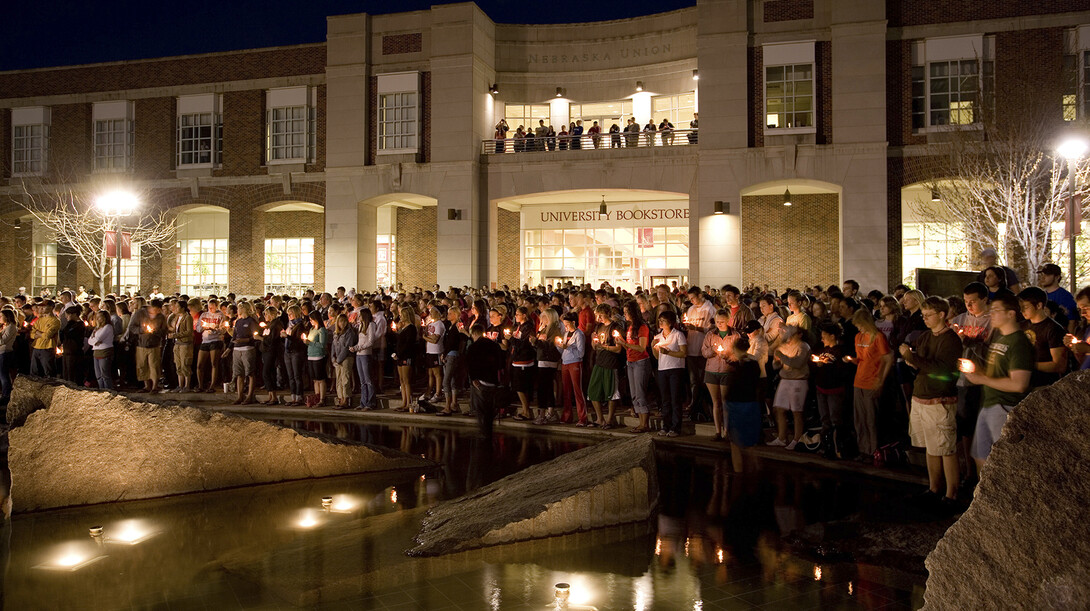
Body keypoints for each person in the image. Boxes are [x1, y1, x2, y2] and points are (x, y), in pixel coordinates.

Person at [900, 296, 963, 509]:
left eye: (928, 315)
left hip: (940, 399)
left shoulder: (951, 340)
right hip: (921, 396)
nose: (924, 319)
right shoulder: (926, 336)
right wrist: (912, 359)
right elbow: (920, 363)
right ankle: (934, 487)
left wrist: (911, 356)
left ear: (942, 315)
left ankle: (951, 493)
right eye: (923, 315)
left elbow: (940, 369)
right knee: (931, 446)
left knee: (945, 448)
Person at [962, 294, 1034, 469]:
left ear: (1011, 314)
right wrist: (976, 370)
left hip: (1005, 407)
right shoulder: (1000, 340)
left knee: (1002, 463)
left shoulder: (1019, 342)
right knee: (981, 457)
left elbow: (1019, 384)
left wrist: (982, 378)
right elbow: (996, 374)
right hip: (988, 405)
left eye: (995, 310)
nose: (990, 313)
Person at [951, 282, 991, 487]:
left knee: (981, 425)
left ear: (985, 299)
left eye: (973, 301)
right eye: (966, 301)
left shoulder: (993, 320)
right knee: (965, 426)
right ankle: (968, 471)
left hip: (985, 379)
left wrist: (970, 341)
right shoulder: (960, 320)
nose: (969, 306)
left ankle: (985, 472)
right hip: (963, 381)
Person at [851, 308, 893, 461]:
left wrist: (881, 380)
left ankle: (873, 450)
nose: (859, 328)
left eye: (861, 325)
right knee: (859, 418)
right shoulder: (858, 337)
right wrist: (853, 360)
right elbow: (860, 358)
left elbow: (888, 358)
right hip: (859, 380)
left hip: (872, 381)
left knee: (870, 418)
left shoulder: (878, 337)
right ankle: (863, 449)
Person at [1017, 287, 1067, 389]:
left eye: (1025, 307)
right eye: (1020, 307)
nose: (1021, 311)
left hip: (1044, 385)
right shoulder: (1021, 326)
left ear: (1039, 305)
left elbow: (1059, 365)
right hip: (1023, 382)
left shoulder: (1053, 329)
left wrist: (1030, 365)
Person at [724, 335, 761, 472]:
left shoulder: (737, 366)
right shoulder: (754, 364)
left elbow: (733, 387)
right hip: (751, 403)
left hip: (737, 405)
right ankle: (755, 471)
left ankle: (738, 473)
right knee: (751, 445)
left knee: (735, 443)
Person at [769, 325, 810, 449]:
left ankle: (797, 439)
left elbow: (797, 363)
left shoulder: (803, 347)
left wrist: (781, 356)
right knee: (779, 409)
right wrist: (776, 361)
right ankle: (782, 437)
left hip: (798, 381)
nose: (790, 336)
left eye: (793, 334)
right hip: (784, 380)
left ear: (799, 335)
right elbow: (776, 365)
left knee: (796, 411)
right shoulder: (784, 346)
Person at [812, 323, 849, 459]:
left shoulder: (841, 351)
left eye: (824, 337)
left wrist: (829, 365)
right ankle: (825, 446)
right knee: (824, 419)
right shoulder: (823, 349)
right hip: (821, 388)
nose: (822, 340)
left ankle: (837, 447)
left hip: (835, 390)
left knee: (835, 419)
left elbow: (843, 371)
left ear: (832, 336)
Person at [466, 323, 507, 439]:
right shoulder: (493, 345)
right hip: (492, 380)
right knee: (489, 407)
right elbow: (501, 362)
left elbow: (470, 364)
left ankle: (483, 431)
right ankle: (489, 430)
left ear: (474, 334)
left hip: (480, 381)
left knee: (480, 408)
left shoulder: (473, 347)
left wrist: (473, 378)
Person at [616, 300, 652, 433]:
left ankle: (644, 423)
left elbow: (642, 347)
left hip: (640, 362)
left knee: (640, 392)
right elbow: (629, 346)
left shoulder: (642, 327)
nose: (624, 315)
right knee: (634, 393)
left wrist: (628, 345)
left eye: (626, 312)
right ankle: (640, 422)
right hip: (630, 361)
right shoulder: (630, 327)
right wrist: (622, 341)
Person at [683, 286, 717, 421]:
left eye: (693, 298)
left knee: (703, 380)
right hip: (691, 347)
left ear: (700, 295)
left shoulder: (710, 309)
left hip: (703, 348)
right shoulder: (691, 309)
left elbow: (712, 328)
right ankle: (694, 403)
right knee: (693, 380)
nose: (691, 301)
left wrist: (696, 328)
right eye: (689, 299)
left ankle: (705, 405)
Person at [587, 304, 623, 428]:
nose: (599, 317)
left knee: (611, 391)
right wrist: (593, 340)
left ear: (608, 313)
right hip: (599, 362)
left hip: (611, 363)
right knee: (593, 391)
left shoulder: (615, 327)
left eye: (601, 314)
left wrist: (605, 347)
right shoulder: (599, 327)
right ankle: (599, 418)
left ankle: (609, 420)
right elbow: (594, 346)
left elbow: (619, 349)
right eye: (597, 315)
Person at [653, 310, 688, 437]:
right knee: (665, 399)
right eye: (660, 320)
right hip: (662, 369)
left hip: (676, 369)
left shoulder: (678, 335)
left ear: (671, 322)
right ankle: (666, 426)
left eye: (663, 320)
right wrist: (654, 348)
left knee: (675, 398)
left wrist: (669, 352)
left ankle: (676, 427)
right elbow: (657, 356)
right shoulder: (658, 336)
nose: (661, 322)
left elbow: (683, 353)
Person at [701, 310, 735, 441]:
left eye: (722, 321)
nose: (719, 324)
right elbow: (704, 351)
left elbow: (738, 352)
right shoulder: (710, 334)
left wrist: (729, 356)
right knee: (716, 402)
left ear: (728, 320)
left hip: (727, 371)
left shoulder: (734, 335)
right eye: (717, 322)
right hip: (712, 370)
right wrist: (713, 350)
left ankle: (727, 431)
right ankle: (717, 431)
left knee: (726, 402)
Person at [530, 307, 561, 424]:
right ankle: (550, 412)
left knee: (544, 388)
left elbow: (550, 346)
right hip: (542, 360)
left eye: (544, 317)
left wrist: (536, 342)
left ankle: (543, 414)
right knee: (545, 388)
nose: (542, 319)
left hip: (549, 361)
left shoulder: (554, 330)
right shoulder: (544, 329)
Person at [558, 311, 587, 425]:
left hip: (575, 363)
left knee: (577, 390)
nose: (565, 326)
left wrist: (568, 347)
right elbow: (562, 349)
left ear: (573, 322)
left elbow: (581, 353)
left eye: (567, 324)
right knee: (566, 390)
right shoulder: (566, 334)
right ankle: (567, 416)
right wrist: (559, 346)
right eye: (564, 324)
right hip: (565, 362)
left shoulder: (579, 334)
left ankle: (582, 418)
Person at [228, 301, 259, 404]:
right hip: (237, 349)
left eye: (239, 308)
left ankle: (250, 395)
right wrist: (229, 348)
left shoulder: (251, 321)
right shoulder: (238, 321)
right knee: (238, 374)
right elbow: (234, 335)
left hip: (247, 349)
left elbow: (255, 336)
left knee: (249, 373)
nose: (238, 310)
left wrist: (244, 340)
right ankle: (239, 396)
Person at [350, 308, 379, 410]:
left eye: (360, 315)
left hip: (366, 354)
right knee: (362, 380)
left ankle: (371, 403)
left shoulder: (371, 325)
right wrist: (355, 348)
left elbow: (370, 341)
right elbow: (360, 341)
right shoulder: (361, 326)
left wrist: (359, 347)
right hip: (359, 354)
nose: (359, 317)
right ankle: (363, 402)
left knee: (368, 379)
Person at [281, 304, 310, 406]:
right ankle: (293, 396)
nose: (289, 315)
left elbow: (298, 340)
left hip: (296, 352)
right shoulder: (289, 325)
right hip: (288, 352)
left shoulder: (300, 325)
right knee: (291, 376)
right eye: (288, 313)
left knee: (297, 375)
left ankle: (299, 397)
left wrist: (287, 337)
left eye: (291, 313)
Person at [136, 299, 166, 393]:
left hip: (154, 345)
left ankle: (154, 386)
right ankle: (146, 386)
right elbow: (132, 327)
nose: (157, 312)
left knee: (154, 366)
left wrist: (156, 332)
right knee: (143, 365)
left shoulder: (161, 317)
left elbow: (164, 330)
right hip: (142, 344)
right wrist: (141, 330)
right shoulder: (140, 314)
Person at [197, 299, 227, 393]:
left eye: (213, 307)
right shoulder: (204, 315)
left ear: (216, 306)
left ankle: (212, 385)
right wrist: (203, 327)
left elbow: (224, 329)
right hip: (205, 341)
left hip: (215, 340)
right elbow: (198, 328)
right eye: (209, 306)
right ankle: (200, 385)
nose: (211, 308)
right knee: (200, 364)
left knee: (214, 363)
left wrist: (216, 329)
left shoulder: (220, 315)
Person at [392, 307, 418, 411]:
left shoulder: (411, 328)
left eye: (402, 315)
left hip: (406, 356)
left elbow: (408, 344)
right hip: (400, 356)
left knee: (407, 380)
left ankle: (409, 403)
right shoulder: (403, 328)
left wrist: (400, 353)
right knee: (402, 380)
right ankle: (404, 402)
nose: (400, 317)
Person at [259, 306, 284, 405]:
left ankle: (274, 397)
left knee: (266, 372)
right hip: (266, 351)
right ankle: (270, 396)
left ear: (271, 314)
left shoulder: (276, 324)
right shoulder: (269, 325)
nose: (264, 316)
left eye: (266, 314)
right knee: (270, 373)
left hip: (271, 351)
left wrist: (260, 338)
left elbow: (272, 340)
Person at [420, 306, 447, 404]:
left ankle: (438, 393)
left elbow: (435, 340)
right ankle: (429, 391)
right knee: (430, 373)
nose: (430, 313)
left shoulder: (439, 324)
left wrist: (425, 337)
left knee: (437, 374)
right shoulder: (432, 323)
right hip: (429, 351)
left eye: (432, 312)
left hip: (436, 351)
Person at [305, 310, 330, 406]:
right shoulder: (312, 330)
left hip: (319, 356)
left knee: (320, 378)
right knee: (315, 379)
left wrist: (310, 343)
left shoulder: (322, 330)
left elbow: (322, 344)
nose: (310, 321)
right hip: (310, 356)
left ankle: (322, 399)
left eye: (312, 319)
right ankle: (317, 397)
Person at [29, 301, 60, 377]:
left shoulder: (55, 320)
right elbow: (32, 334)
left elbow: (48, 335)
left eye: (44, 307)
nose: (41, 309)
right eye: (40, 307)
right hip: (36, 347)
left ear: (51, 307)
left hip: (47, 348)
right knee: (34, 371)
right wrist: (40, 334)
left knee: (48, 371)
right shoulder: (39, 320)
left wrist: (38, 333)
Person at [169, 299, 194, 392]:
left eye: (178, 306)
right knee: (178, 365)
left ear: (183, 308)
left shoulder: (187, 318)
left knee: (185, 364)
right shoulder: (176, 318)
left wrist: (176, 335)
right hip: (177, 344)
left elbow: (189, 331)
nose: (176, 308)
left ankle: (187, 385)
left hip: (185, 344)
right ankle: (180, 385)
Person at [331, 313, 355, 408]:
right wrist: (333, 358)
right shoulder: (336, 333)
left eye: (344, 321)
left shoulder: (349, 333)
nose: (342, 323)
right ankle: (340, 398)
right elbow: (333, 346)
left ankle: (346, 399)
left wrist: (339, 359)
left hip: (346, 358)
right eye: (341, 321)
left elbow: (346, 347)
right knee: (339, 379)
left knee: (345, 378)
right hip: (337, 359)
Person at [58, 306, 85, 384]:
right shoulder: (70, 324)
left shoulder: (79, 325)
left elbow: (69, 333)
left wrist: (69, 323)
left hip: (74, 352)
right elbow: (63, 334)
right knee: (66, 372)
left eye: (68, 315)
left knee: (72, 373)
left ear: (74, 314)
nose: (66, 317)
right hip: (67, 351)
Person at [0, 310, 18, 407]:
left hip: (4, 353)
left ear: (7, 317)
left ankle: (6, 395)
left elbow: (2, 341)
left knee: (4, 375)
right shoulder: (5, 327)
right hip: (1, 352)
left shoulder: (11, 327)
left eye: (1, 316)